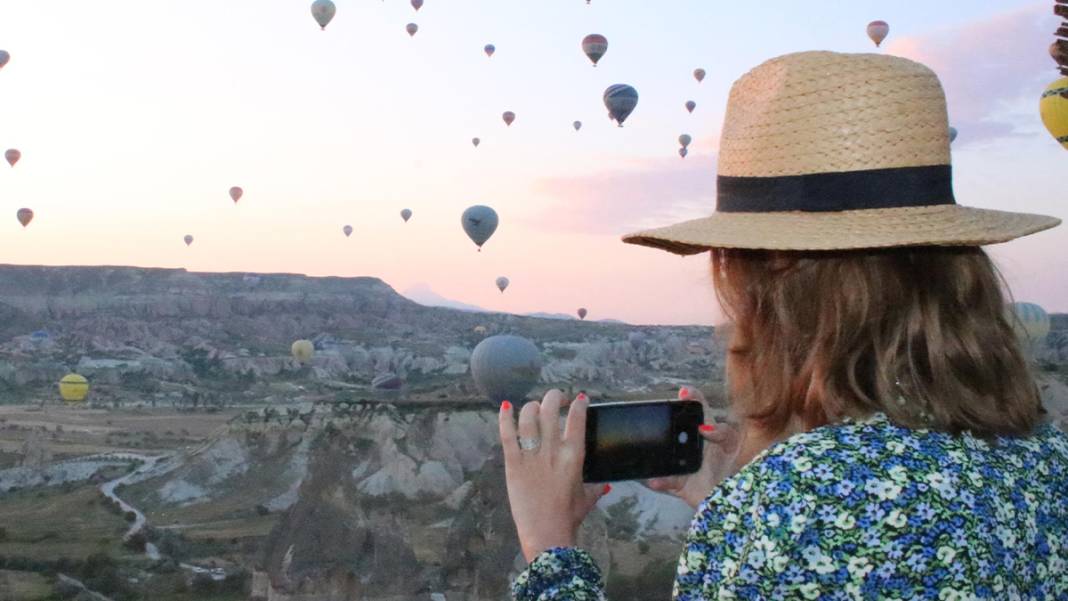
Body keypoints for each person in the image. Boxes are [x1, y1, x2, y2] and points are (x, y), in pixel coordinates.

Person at [498, 51, 1068, 599]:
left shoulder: (785, 506)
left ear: (769, 289)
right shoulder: (1049, 460)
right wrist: (741, 505)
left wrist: (550, 551)